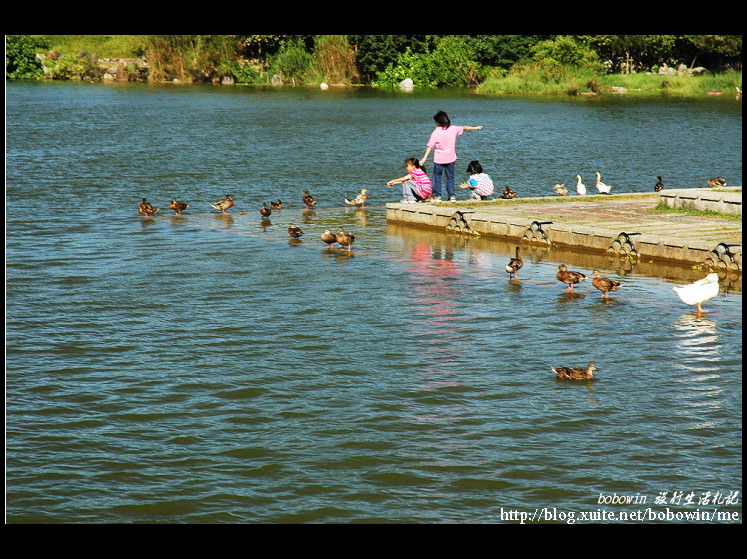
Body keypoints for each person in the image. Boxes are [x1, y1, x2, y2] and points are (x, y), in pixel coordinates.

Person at [421, 111, 483, 202]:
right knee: (450, 177)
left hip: (439, 159)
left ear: (438, 122)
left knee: (437, 177)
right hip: (451, 158)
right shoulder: (453, 129)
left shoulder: (436, 132)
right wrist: (475, 128)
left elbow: (430, 146)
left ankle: (438, 196)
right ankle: (452, 195)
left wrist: (424, 158)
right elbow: (464, 128)